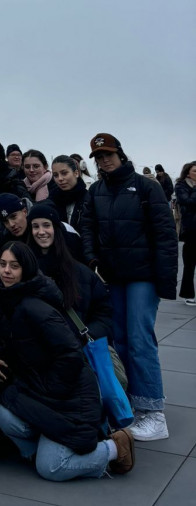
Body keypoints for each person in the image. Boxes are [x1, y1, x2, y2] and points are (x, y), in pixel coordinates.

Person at [0, 242, 135, 481]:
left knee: (50, 468)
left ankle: (114, 448)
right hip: (42, 391)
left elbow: (70, 354)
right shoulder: (8, 297)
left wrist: (52, 389)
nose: (6, 271)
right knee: (4, 414)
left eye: (14, 266)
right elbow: (15, 343)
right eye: (3, 264)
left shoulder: (35, 306)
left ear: (25, 270)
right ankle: (43, 452)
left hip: (69, 398)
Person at [80, 133, 177, 441]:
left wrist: (165, 281)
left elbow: (165, 235)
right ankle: (132, 404)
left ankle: (154, 413)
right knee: (119, 341)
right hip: (113, 277)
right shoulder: (96, 190)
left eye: (108, 154)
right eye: (98, 157)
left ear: (120, 153)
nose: (104, 160)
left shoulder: (147, 187)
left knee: (139, 339)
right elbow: (87, 226)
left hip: (143, 277)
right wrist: (92, 258)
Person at [27, 204, 113, 342]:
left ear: (56, 228)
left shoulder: (81, 273)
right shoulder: (25, 271)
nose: (41, 231)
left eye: (46, 225)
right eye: (35, 226)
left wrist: (87, 336)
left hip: (78, 350)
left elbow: (103, 313)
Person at [47, 155, 88, 232]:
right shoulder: (51, 200)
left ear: (76, 173)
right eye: (55, 175)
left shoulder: (89, 199)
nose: (60, 179)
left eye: (64, 173)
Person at [175, 161, 196, 304]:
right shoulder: (181, 185)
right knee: (190, 264)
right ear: (188, 172)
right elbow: (187, 202)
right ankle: (188, 294)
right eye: (195, 171)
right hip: (192, 230)